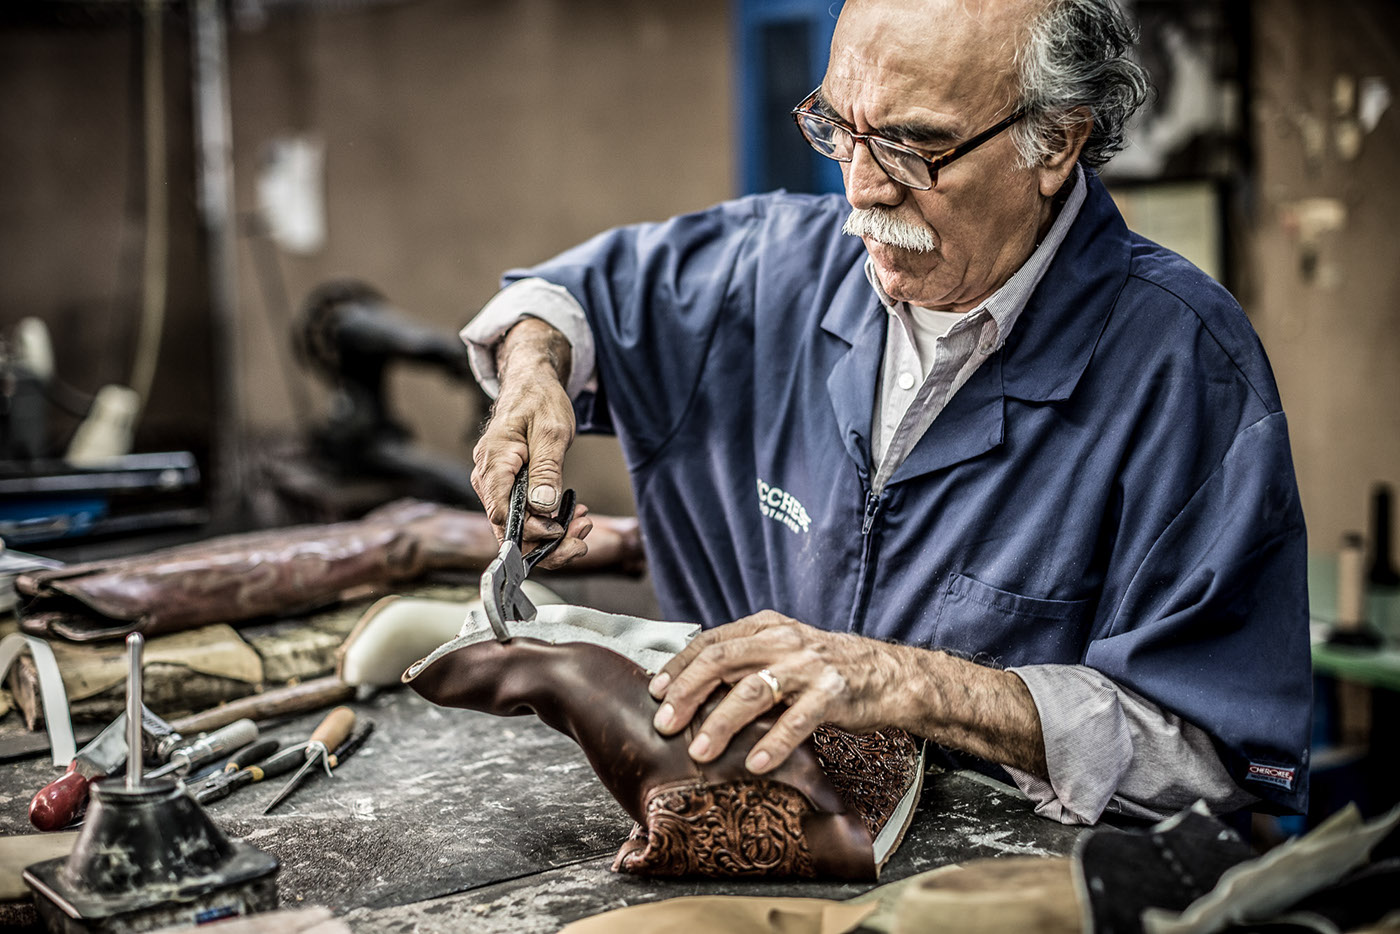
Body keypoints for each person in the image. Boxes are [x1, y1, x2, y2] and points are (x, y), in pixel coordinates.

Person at [462, 0, 1311, 825]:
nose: (862, 188)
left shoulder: (1183, 365)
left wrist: (915, 685)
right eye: (839, 130)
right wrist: (535, 374)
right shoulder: (773, 267)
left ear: (1057, 142)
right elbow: (561, 297)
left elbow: (1215, 752)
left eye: (913, 145)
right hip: (755, 843)